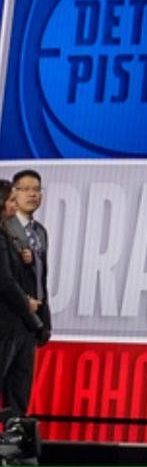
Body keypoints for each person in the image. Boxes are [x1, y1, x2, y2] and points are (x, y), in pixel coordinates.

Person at [0, 174, 45, 430]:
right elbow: (5, 281)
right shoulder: (3, 236)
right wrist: (28, 308)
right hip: (6, 325)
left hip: (20, 326)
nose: (15, 204)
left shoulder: (35, 234)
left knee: (18, 389)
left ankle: (13, 448)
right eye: (10, 199)